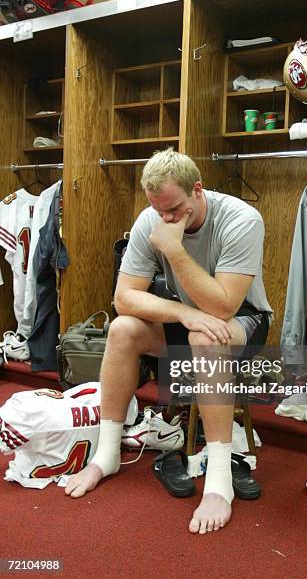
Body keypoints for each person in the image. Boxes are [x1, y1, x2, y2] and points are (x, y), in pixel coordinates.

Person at [65, 148, 272, 534]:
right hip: (188, 319)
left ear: (197, 190)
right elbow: (124, 297)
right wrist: (182, 312)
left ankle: (218, 482)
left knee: (206, 338)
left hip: (244, 321)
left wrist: (174, 249)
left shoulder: (242, 219)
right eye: (160, 212)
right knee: (122, 328)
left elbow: (223, 308)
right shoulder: (152, 219)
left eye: (175, 210)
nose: (168, 219)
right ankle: (107, 453)